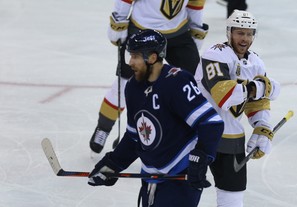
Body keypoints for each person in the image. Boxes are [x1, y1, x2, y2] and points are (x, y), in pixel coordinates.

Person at [88, 30, 224, 207]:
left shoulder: (177, 81)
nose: (130, 62)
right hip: (150, 177)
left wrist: (200, 158)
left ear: (152, 58)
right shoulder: (132, 87)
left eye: (135, 56)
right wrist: (113, 164)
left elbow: (211, 124)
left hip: (180, 175)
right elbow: (134, 137)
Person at [89, 0, 210, 153]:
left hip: (177, 33)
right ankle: (103, 127)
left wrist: (196, 30)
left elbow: (195, 3)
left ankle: (192, 132)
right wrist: (119, 22)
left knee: (194, 82)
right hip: (142, 31)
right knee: (125, 83)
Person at [194, 10, 281, 206]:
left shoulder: (256, 62)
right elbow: (224, 95)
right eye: (240, 33)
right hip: (198, 136)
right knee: (185, 194)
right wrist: (258, 86)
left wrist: (261, 125)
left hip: (231, 139)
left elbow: (258, 103)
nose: (245, 39)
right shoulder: (215, 54)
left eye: (249, 34)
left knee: (232, 199)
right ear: (229, 33)